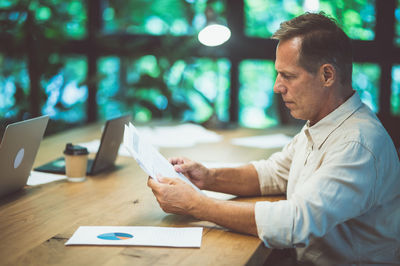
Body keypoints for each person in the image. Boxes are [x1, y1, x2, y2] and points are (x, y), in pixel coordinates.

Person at [148, 12, 400, 265]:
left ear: (327, 76)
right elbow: (274, 173)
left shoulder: (357, 143)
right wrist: (209, 177)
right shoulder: (326, 123)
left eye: (288, 76)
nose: (277, 86)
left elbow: (294, 223)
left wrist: (197, 205)